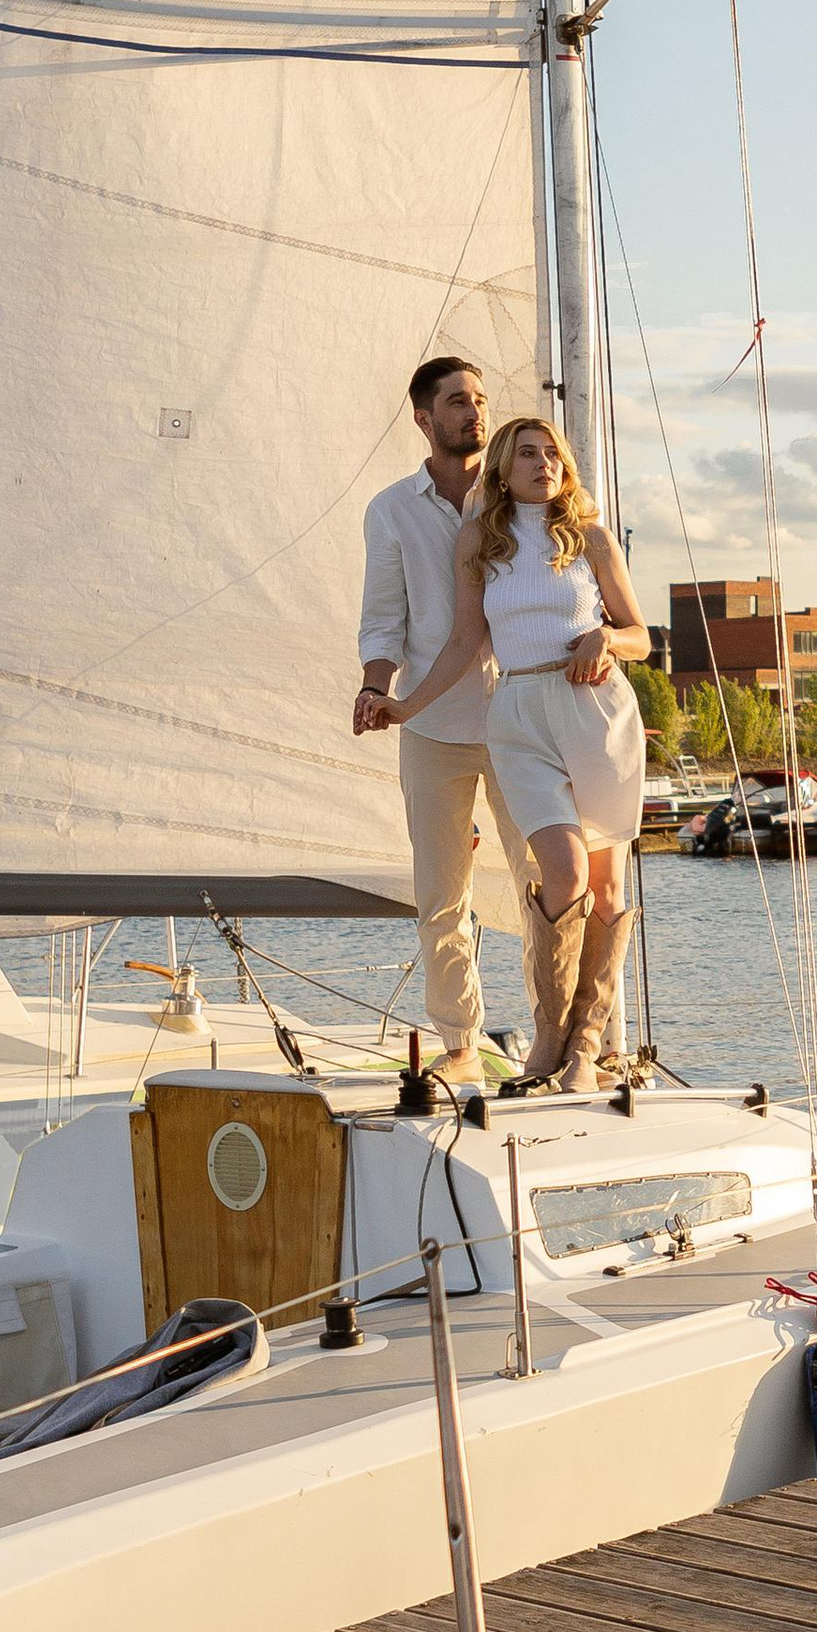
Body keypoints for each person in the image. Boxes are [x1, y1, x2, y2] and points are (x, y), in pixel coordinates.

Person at [362, 414, 648, 1092]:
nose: (544, 462)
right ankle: (550, 1036)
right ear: (503, 467)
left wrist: (605, 641)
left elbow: (640, 634)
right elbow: (464, 643)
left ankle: (580, 1049)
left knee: (605, 886)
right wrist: (404, 703)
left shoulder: (591, 538)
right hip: (517, 713)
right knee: (563, 869)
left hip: (594, 713)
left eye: (553, 453)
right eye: (528, 453)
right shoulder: (478, 542)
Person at [354, 357, 538, 1076]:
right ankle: (461, 1046)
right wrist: (376, 688)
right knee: (441, 897)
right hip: (432, 727)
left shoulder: (522, 500)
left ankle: (573, 1042)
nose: (475, 412)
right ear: (425, 420)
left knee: (547, 887)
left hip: (525, 719)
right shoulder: (391, 510)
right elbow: (383, 622)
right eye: (459, 402)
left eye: (482, 400)